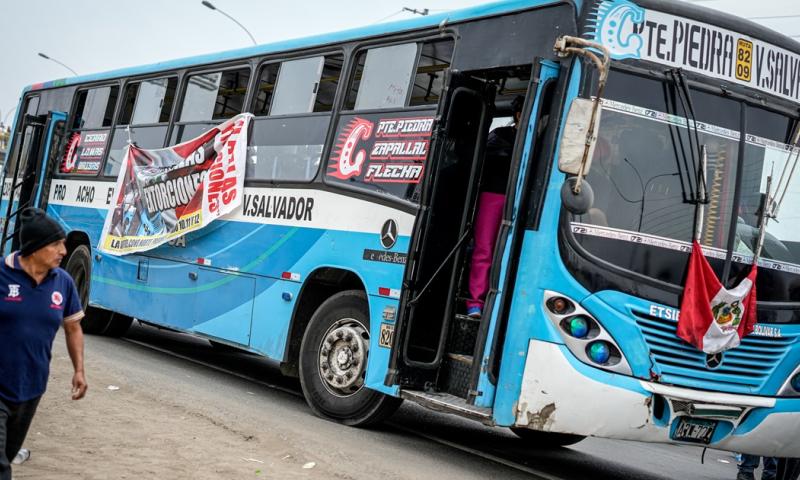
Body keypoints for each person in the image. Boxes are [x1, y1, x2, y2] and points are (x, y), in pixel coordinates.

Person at [0, 208, 87, 480]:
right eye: (56, 244)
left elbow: (73, 327)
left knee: (9, 454)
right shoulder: (2, 275)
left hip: (32, 385)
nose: (63, 250)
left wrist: (79, 370)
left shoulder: (63, 282)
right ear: (34, 248)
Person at [466, 96, 523, 318]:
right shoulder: (501, 135)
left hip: (521, 198)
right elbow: (486, 161)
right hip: (494, 195)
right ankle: (475, 302)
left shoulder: (539, 140)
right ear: (518, 114)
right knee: (485, 249)